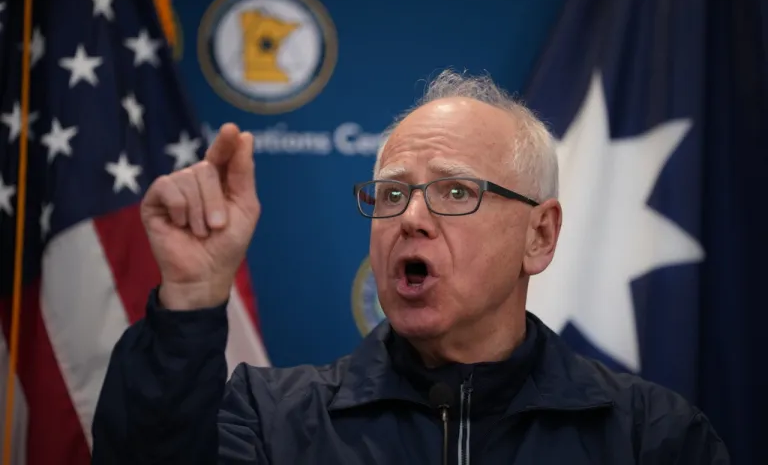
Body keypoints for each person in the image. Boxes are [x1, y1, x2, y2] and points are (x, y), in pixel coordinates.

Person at [91, 70, 729, 464]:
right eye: (391, 194)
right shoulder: (270, 421)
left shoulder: (652, 437)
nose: (410, 219)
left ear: (540, 234)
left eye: (456, 192)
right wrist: (193, 295)